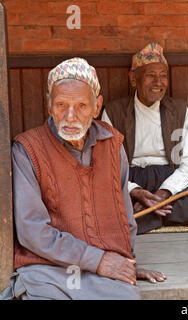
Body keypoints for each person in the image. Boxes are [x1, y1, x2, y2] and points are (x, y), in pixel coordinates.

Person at [2, 58, 165, 300]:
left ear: (97, 106)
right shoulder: (27, 149)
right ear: (49, 105)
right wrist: (98, 260)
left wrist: (124, 262)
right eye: (61, 105)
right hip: (48, 270)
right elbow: (32, 231)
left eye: (81, 106)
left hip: (103, 274)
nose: (70, 116)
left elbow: (125, 218)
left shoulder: (113, 144)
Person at [102, 43, 188, 234]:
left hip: (168, 180)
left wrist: (164, 194)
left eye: (163, 75)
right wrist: (136, 192)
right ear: (133, 79)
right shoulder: (114, 111)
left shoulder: (179, 110)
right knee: (100, 201)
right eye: (150, 75)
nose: (159, 82)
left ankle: (144, 216)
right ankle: (163, 215)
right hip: (130, 181)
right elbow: (109, 165)